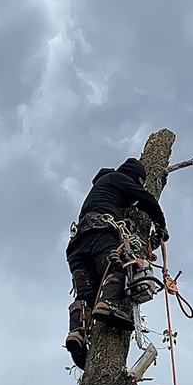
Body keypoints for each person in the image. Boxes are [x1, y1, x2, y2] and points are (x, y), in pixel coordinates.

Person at [65, 158, 168, 369]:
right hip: (101, 233)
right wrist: (161, 225)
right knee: (118, 266)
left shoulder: (101, 188)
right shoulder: (119, 178)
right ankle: (111, 304)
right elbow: (147, 199)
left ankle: (77, 332)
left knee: (86, 294)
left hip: (77, 244)